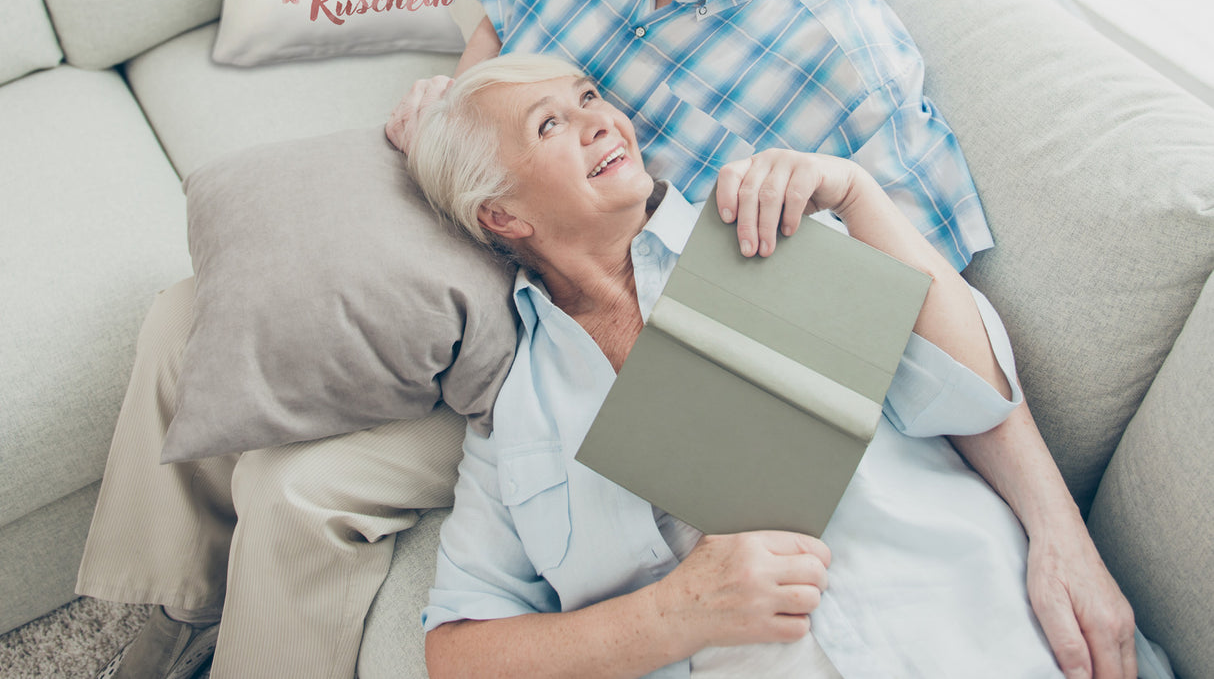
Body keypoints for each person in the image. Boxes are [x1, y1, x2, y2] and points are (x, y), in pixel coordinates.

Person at [79, 0, 1132, 679]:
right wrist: (458, 107)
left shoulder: (854, 73)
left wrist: (1058, 529)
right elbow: (498, 24)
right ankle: (160, 613)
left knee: (300, 488)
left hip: (577, 317)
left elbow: (927, 320)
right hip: (485, 210)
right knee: (192, 312)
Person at [407, 53, 1160, 679]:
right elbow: (458, 652)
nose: (601, 119)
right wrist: (674, 614)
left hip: (985, 631)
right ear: (502, 215)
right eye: (550, 124)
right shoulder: (516, 417)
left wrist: (859, 196)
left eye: (589, 97)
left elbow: (972, 394)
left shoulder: (762, 226)